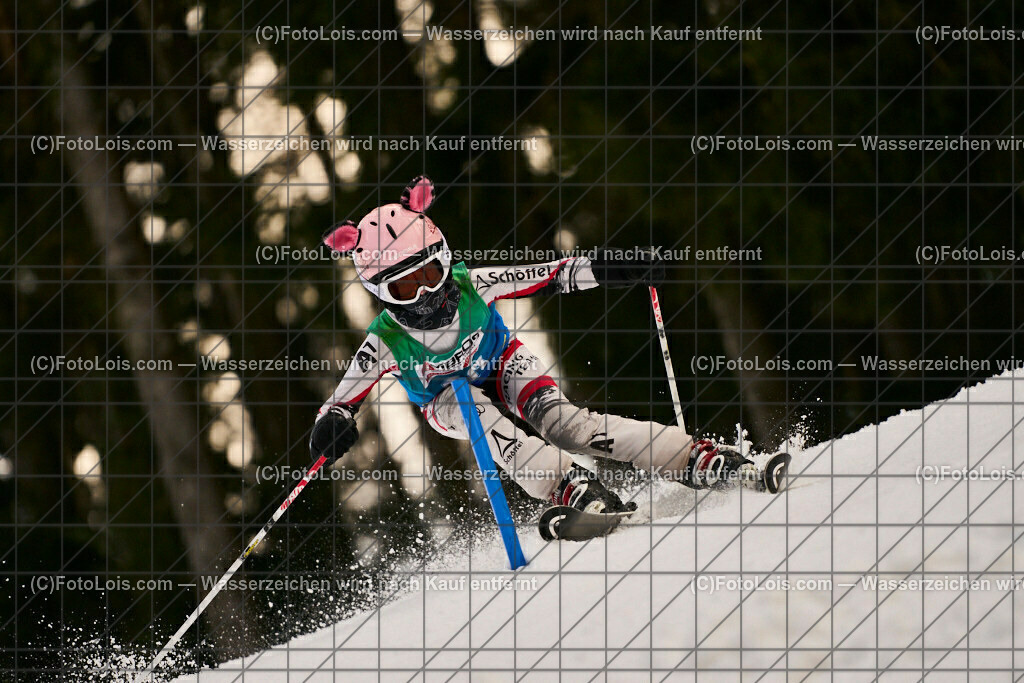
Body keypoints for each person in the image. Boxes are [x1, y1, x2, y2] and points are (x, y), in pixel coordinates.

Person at [310, 176, 758, 515]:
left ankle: (693, 457)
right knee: (478, 415)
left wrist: (611, 268)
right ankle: (565, 484)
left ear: (445, 259)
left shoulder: (473, 285)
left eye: (429, 274)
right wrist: (331, 424)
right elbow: (343, 398)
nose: (425, 294)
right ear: (382, 293)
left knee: (565, 425)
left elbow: (549, 273)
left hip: (502, 362)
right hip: (445, 398)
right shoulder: (385, 340)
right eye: (405, 288)